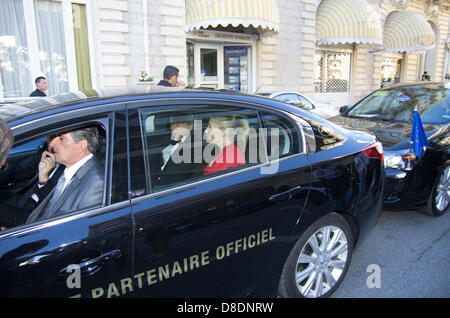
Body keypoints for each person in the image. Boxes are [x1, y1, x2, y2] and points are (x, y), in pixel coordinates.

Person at [26, 127, 104, 224]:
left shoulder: (96, 184)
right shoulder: (70, 170)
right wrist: (43, 179)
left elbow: (80, 229)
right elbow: (50, 208)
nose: (51, 143)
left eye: (61, 139)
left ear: (81, 146)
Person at [154, 114, 204, 187]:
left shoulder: (197, 147)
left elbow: (195, 178)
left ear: (190, 127)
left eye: (178, 125)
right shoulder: (164, 140)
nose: (174, 127)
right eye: (173, 124)